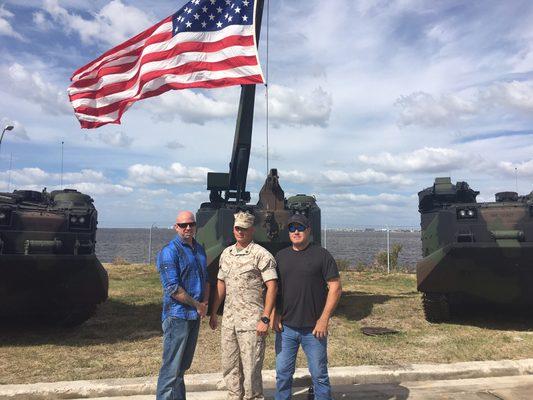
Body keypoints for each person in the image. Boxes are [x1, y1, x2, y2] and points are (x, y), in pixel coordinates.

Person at [272, 214, 342, 400]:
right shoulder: (281, 257)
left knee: (319, 376)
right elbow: (274, 289)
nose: (296, 232)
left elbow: (335, 287)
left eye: (300, 228)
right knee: (283, 375)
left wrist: (324, 319)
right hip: (286, 328)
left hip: (314, 329)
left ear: (309, 231)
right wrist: (275, 313)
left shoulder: (322, 255)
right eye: (292, 228)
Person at [209, 211, 278, 400]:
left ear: (252, 230)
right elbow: (221, 284)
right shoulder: (226, 254)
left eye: (244, 229)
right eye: (237, 228)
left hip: (251, 323)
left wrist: (266, 317)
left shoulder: (261, 255)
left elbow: (272, 286)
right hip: (230, 321)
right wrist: (214, 312)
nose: (240, 232)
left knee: (251, 370)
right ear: (233, 229)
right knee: (230, 366)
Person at [155, 211, 209, 400]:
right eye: (183, 225)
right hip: (177, 317)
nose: (188, 228)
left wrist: (205, 303)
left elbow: (206, 279)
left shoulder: (199, 249)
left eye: (191, 224)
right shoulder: (169, 251)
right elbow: (172, 288)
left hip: (194, 316)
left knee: (182, 367)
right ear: (176, 227)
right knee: (170, 369)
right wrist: (197, 305)